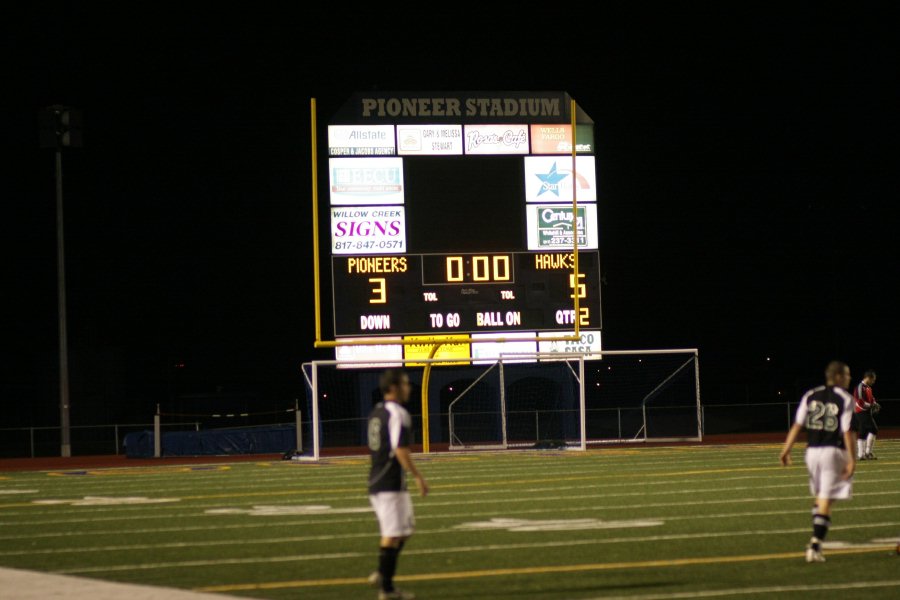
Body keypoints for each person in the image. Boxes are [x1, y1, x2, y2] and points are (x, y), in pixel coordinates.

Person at [780, 361, 856, 563]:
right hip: (833, 452)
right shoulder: (846, 398)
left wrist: (785, 450)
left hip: (811, 452)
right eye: (847, 375)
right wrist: (852, 460)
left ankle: (816, 537)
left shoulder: (810, 394)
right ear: (838, 376)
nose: (849, 378)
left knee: (822, 498)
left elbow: (797, 425)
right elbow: (847, 431)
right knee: (825, 499)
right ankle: (815, 544)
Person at [366, 369, 428, 600]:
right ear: (393, 387)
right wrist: (418, 475)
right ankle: (387, 589)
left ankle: (383, 573)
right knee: (392, 534)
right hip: (388, 482)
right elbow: (399, 448)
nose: (408, 387)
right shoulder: (398, 413)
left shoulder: (377, 412)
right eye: (404, 384)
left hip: (382, 480)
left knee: (405, 530)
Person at [853, 370, 880, 460]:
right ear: (868, 378)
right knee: (874, 429)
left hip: (865, 411)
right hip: (861, 411)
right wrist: (871, 406)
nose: (874, 382)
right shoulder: (860, 387)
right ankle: (868, 452)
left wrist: (875, 403)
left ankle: (861, 455)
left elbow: (871, 398)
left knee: (863, 432)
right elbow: (860, 401)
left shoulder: (868, 387)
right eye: (873, 380)